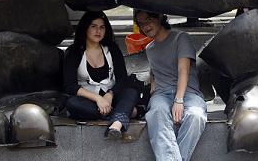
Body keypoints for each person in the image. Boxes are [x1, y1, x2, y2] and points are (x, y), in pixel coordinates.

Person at [134, 10, 207, 161]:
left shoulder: (181, 38)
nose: (146, 26)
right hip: (162, 94)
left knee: (196, 116)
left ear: (160, 16)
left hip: (188, 93)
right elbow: (155, 71)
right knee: (156, 113)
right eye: (141, 24)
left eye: (148, 20)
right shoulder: (149, 49)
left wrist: (179, 100)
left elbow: (183, 69)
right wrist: (153, 85)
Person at [63, 11, 140, 139]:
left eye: (102, 27)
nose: (98, 31)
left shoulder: (112, 49)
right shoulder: (74, 51)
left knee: (131, 92)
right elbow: (70, 85)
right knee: (72, 103)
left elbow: (122, 79)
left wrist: (109, 95)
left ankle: (116, 125)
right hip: (89, 100)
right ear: (85, 28)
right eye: (93, 26)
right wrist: (98, 99)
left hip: (111, 97)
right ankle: (123, 112)